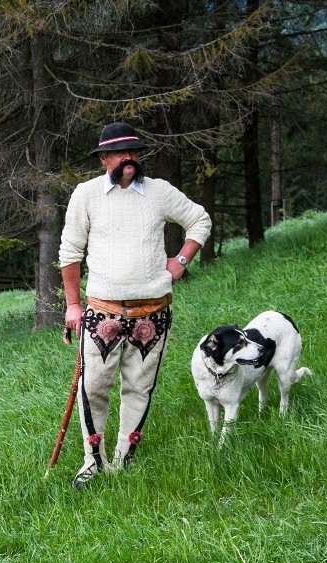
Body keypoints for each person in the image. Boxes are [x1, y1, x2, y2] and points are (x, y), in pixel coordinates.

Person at [59, 121, 212, 490]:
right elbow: (70, 251)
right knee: (93, 387)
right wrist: (72, 306)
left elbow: (199, 219)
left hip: (152, 313)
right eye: (119, 152)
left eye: (133, 151)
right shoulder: (87, 194)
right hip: (101, 312)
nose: (128, 158)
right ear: (103, 159)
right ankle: (92, 463)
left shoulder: (159, 192)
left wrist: (180, 262)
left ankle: (124, 460)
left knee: (139, 388)